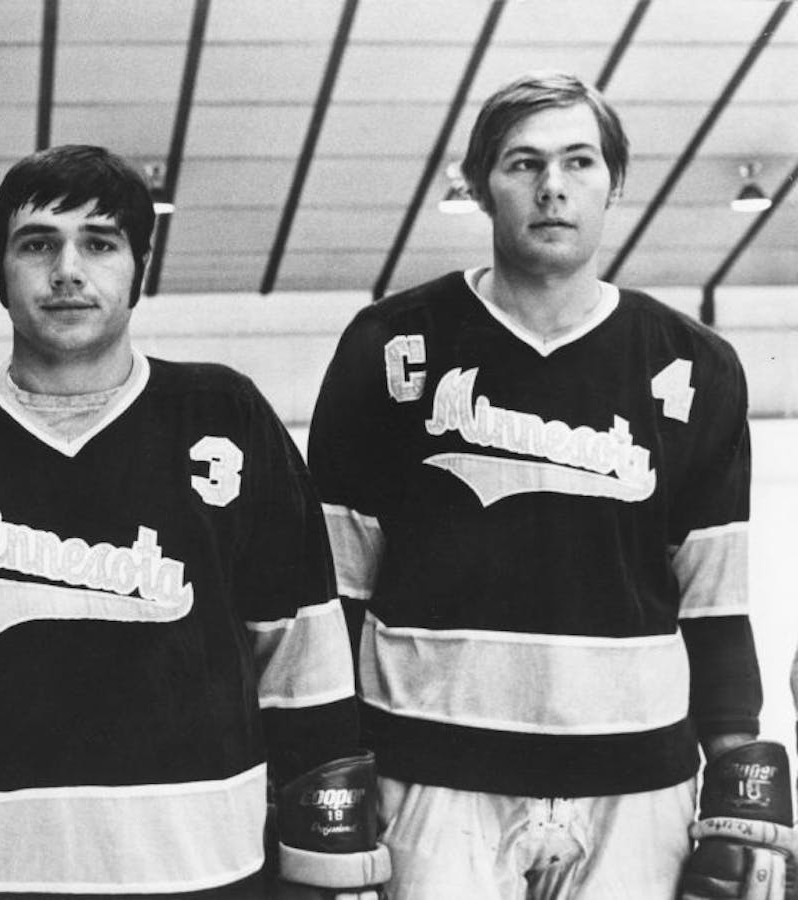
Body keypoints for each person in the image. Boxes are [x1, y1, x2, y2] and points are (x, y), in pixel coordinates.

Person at [0, 144, 387, 897]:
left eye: (99, 244)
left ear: (141, 264)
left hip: (202, 865)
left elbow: (301, 655)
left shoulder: (225, 413)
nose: (67, 270)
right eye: (37, 244)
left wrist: (330, 860)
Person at [308, 70, 774, 898]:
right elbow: (335, 589)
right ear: (481, 184)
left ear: (614, 181)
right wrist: (326, 767)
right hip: (432, 775)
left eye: (579, 162)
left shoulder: (696, 365)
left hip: (639, 780)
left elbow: (712, 599)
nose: (552, 188)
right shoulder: (390, 344)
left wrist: (739, 766)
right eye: (523, 163)